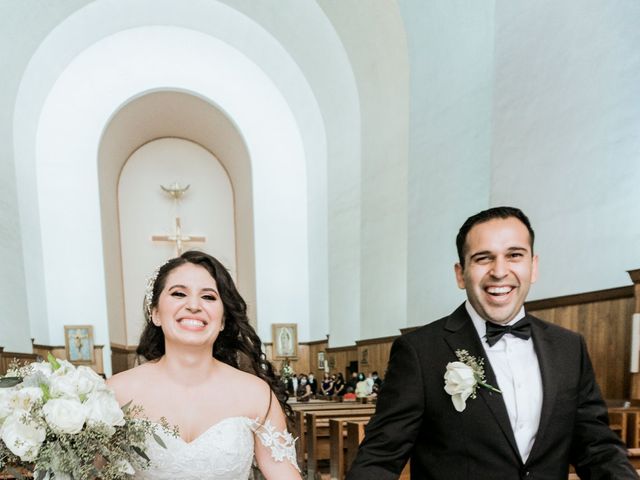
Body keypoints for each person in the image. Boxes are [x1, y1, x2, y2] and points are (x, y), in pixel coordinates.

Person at [347, 207, 637, 479]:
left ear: (533, 267)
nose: (500, 271)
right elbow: (380, 457)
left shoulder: (569, 347)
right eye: (483, 258)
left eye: (514, 255)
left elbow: (595, 446)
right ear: (461, 274)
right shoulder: (420, 352)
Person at [107, 251, 301, 480]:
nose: (193, 305)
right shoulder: (116, 393)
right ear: (156, 313)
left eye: (208, 297)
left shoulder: (255, 394)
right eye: (179, 294)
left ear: (222, 321)